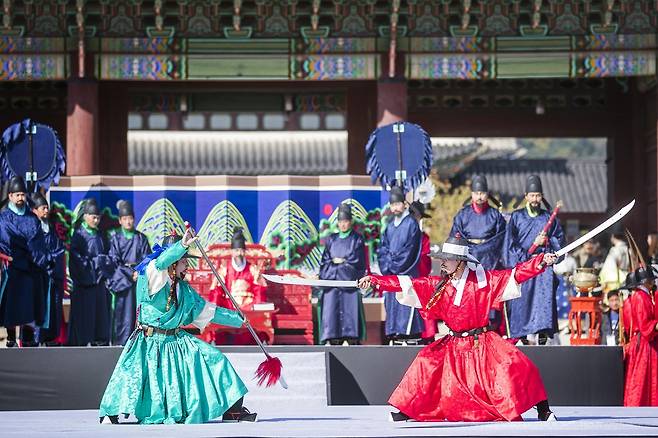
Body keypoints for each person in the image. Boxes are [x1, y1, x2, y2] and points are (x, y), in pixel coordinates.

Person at [358, 237, 558, 422]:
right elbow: (406, 283)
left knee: (517, 364)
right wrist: (375, 280)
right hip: (453, 344)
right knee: (425, 361)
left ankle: (543, 408)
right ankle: (408, 410)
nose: (443, 263)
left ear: (461, 262)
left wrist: (540, 262)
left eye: (448, 259)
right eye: (442, 259)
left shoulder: (485, 282)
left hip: (482, 342)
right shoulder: (438, 285)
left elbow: (515, 274)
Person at [99, 229, 256, 424]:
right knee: (130, 373)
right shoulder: (152, 276)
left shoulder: (184, 290)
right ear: (172, 263)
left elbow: (208, 311)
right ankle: (110, 412)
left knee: (215, 358)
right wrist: (181, 245)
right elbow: (159, 264)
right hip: (149, 343)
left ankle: (233, 410)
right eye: (183, 261)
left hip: (176, 341)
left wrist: (238, 318)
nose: (187, 266)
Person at [503, 175, 565, 344]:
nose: (535, 199)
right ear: (526, 196)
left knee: (543, 298)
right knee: (520, 301)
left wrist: (548, 241)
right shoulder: (516, 217)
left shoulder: (548, 218)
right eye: (532, 195)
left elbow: (558, 239)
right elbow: (509, 244)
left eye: (538, 195)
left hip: (542, 265)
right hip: (524, 263)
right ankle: (521, 334)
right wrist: (531, 245)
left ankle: (542, 331)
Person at [0, 176, 49, 347]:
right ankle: (12, 337)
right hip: (12, 267)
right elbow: (7, 239)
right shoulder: (4, 218)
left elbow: (37, 241)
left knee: (30, 303)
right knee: (11, 305)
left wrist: (34, 257)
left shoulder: (32, 218)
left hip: (31, 267)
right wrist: (21, 252)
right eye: (17, 195)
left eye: (23, 194)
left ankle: (28, 338)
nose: (21, 198)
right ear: (11, 196)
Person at [377, 186, 424, 344]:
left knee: (406, 303)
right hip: (392, 273)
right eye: (392, 205)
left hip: (406, 271)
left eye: (398, 204)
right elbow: (382, 248)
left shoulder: (411, 224)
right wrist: (387, 265)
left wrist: (395, 264)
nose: (395, 207)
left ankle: (409, 335)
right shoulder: (389, 226)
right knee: (393, 303)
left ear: (404, 204)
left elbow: (410, 249)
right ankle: (395, 333)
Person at [317, 203, 367, 345]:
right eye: (340, 222)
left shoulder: (357, 239)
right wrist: (339, 264)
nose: (343, 225)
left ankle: (352, 339)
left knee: (350, 323)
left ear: (350, 222)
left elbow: (356, 263)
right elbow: (325, 262)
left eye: (345, 221)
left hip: (348, 287)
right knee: (333, 323)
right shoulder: (331, 239)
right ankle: (333, 338)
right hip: (332, 287)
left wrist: (338, 265)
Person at [68, 198, 112, 346]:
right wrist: (96, 264)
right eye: (93, 217)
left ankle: (99, 339)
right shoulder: (78, 235)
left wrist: (103, 264)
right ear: (85, 216)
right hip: (85, 284)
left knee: (100, 314)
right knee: (85, 315)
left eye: (98, 217)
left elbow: (107, 255)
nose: (96, 220)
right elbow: (76, 260)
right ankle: (83, 340)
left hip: (99, 283)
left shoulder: (100, 235)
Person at [106, 200, 151, 345]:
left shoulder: (141, 238)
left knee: (138, 313)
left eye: (130, 218)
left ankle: (138, 342)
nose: (128, 222)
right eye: (125, 219)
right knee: (122, 313)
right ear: (120, 221)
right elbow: (114, 261)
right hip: (123, 282)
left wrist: (139, 273)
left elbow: (147, 258)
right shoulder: (115, 239)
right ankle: (121, 342)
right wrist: (130, 274)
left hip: (138, 281)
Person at [31, 192, 66, 346]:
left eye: (47, 208)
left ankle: (50, 338)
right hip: (39, 276)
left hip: (52, 276)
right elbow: (33, 252)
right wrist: (47, 260)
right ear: (35, 211)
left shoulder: (50, 228)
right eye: (43, 208)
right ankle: (36, 339)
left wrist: (53, 261)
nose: (46, 211)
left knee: (53, 308)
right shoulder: (31, 229)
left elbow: (59, 249)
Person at [450, 175, 506, 270]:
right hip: (467, 256)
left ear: (487, 194)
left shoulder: (495, 215)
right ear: (472, 194)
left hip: (490, 258)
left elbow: (500, 238)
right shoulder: (462, 215)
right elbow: (455, 237)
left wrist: (481, 249)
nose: (479, 196)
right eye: (476, 193)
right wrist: (471, 250)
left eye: (482, 193)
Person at [623, 267, 658, 406]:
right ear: (646, 281)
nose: (653, 283)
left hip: (645, 340)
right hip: (644, 342)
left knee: (646, 376)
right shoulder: (640, 297)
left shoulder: (643, 296)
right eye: (651, 280)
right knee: (641, 376)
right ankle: (637, 403)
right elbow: (644, 325)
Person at [409, 200, 438, 343]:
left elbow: (425, 261)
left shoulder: (424, 238)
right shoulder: (402, 235)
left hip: (419, 279)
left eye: (417, 216)